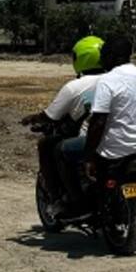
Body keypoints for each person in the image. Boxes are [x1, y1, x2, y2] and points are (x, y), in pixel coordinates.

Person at [21, 35, 104, 214]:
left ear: (79, 59)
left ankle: (69, 200)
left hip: (92, 139)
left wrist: (31, 119)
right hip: (121, 138)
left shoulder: (75, 87)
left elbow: (50, 116)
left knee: (50, 146)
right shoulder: (116, 81)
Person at [84, 34, 136, 179]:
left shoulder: (107, 81)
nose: (101, 60)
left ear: (111, 56)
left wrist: (89, 158)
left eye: (103, 55)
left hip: (115, 154)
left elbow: (98, 123)